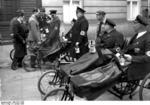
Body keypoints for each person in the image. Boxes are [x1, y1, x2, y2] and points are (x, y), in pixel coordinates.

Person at [123, 15, 150, 81]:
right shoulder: (136, 35)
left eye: (135, 23)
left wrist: (132, 58)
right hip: (130, 63)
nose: (132, 25)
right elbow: (129, 48)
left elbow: (148, 58)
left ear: (140, 25)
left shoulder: (148, 38)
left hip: (140, 67)